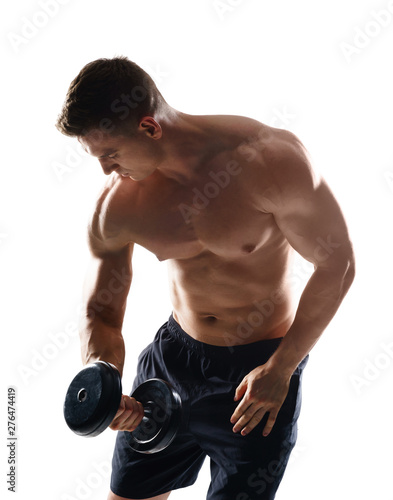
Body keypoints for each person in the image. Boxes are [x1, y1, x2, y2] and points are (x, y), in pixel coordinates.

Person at [56, 56, 355, 500]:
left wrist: (282, 367)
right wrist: (105, 377)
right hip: (172, 363)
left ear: (150, 127)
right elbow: (101, 307)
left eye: (110, 154)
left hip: (258, 373)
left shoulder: (271, 162)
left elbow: (338, 263)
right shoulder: (118, 205)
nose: (104, 170)